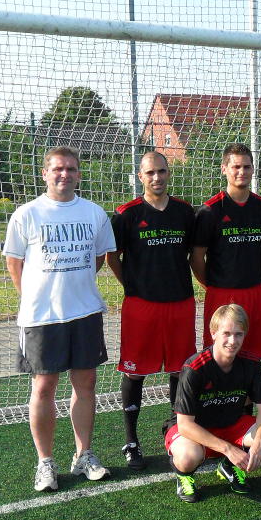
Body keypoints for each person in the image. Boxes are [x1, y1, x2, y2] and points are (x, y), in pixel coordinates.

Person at [3, 146, 116, 492]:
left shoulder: (94, 213)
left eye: (70, 169)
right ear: (45, 173)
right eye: (57, 169)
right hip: (41, 318)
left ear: (79, 174)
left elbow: (99, 257)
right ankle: (45, 462)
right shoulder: (26, 214)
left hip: (84, 312)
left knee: (86, 384)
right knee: (43, 387)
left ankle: (83, 455)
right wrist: (36, 297)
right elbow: (14, 263)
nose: (64, 174)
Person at [107, 151, 196, 470]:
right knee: (135, 372)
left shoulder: (185, 212)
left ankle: (176, 431)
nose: (156, 177)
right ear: (140, 176)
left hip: (180, 303)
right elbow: (113, 257)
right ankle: (131, 441)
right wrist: (133, 285)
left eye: (161, 171)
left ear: (168, 172)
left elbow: (194, 253)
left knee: (180, 369)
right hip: (141, 306)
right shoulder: (126, 214)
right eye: (150, 173)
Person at [165, 304, 261, 503]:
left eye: (238, 334)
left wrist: (259, 442)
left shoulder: (251, 364)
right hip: (195, 430)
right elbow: (185, 425)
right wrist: (228, 449)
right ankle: (184, 476)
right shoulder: (194, 367)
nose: (232, 341)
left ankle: (229, 467)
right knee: (187, 457)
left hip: (231, 425)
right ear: (213, 333)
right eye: (226, 333)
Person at [190, 143, 261, 360]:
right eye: (236, 166)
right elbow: (197, 257)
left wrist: (252, 273)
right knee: (219, 355)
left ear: (253, 169)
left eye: (246, 167)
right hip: (221, 294)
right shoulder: (210, 211)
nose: (242, 172)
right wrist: (212, 284)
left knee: (252, 355)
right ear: (224, 169)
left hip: (255, 291)